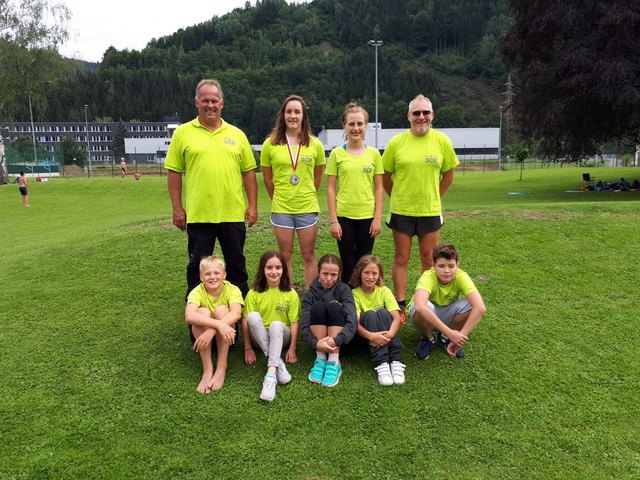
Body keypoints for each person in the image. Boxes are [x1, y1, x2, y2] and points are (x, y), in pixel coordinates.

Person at [165, 79, 258, 299]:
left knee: (235, 263)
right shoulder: (183, 133)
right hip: (200, 213)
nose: (210, 105)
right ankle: (197, 308)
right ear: (196, 103)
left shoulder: (237, 134)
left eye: (214, 100)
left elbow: (248, 173)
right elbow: (174, 172)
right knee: (198, 266)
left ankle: (239, 308)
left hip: (232, 212)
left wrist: (252, 205)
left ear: (222, 103)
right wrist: (177, 208)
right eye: (205, 100)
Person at [382, 95, 459, 319]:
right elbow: (386, 175)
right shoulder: (396, 142)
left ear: (432, 115)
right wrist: (397, 196)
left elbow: (448, 175)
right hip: (402, 212)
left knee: (428, 259)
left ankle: (426, 304)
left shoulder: (442, 141)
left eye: (425, 112)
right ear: (409, 116)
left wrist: (434, 197)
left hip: (430, 212)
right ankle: (401, 304)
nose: (421, 117)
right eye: (416, 113)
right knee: (401, 258)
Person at [261, 95, 326, 288]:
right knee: (285, 255)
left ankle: (310, 295)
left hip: (306, 206)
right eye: (289, 111)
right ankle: (287, 294)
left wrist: (304, 193)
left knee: (308, 255)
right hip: (282, 208)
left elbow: (317, 178)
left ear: (303, 116)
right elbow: (267, 179)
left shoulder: (315, 144)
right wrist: (281, 197)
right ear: (283, 115)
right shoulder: (270, 144)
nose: (293, 116)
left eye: (297, 111)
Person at [327, 103, 384, 283]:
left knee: (364, 263)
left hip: (367, 216)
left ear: (366, 126)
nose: (356, 128)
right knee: (347, 262)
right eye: (351, 124)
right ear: (344, 125)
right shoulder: (337, 154)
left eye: (360, 124)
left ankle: (362, 299)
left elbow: (379, 188)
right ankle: (347, 300)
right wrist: (334, 220)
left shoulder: (374, 154)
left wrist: (377, 218)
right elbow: (330, 189)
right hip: (344, 216)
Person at [409, 244, 486, 360]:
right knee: (418, 307)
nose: (446, 271)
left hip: (448, 313)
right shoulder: (428, 276)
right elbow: (420, 306)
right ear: (434, 266)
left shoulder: (461, 276)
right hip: (427, 316)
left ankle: (444, 338)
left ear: (457, 265)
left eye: (451, 266)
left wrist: (459, 338)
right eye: (441, 266)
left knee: (473, 305)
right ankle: (428, 338)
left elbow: (480, 308)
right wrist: (450, 332)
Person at [242, 251, 300, 402]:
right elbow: (245, 321)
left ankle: (270, 376)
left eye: (278, 267)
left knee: (276, 324)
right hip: (258, 337)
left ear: (284, 270)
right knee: (253, 317)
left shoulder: (290, 293)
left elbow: (294, 322)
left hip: (281, 336)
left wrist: (292, 348)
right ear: (263, 270)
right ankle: (277, 363)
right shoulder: (253, 293)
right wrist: (248, 348)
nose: (274, 272)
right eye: (269, 268)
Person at [185, 256, 243, 394]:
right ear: (201, 277)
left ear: (224, 275)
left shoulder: (232, 289)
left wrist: (211, 331)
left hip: (227, 337)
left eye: (216, 273)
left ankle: (221, 367)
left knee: (221, 310)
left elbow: (236, 314)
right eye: (207, 274)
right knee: (202, 312)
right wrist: (217, 325)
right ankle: (208, 369)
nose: (212, 277)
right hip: (201, 340)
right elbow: (189, 316)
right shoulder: (197, 291)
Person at [300, 254, 357, 388]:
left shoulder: (344, 290)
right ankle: (320, 358)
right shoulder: (310, 294)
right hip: (318, 344)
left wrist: (337, 340)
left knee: (334, 306)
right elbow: (305, 322)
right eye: (325, 274)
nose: (329, 279)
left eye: (333, 275)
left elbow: (352, 319)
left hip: (340, 342)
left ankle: (333, 362)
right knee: (318, 306)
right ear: (318, 272)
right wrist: (315, 343)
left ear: (339, 275)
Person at [350, 255, 405, 386]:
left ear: (379, 275)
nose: (370, 277)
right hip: (368, 337)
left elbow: (397, 317)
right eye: (366, 273)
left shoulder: (384, 291)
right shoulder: (354, 294)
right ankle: (382, 364)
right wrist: (372, 336)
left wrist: (390, 334)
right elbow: (355, 324)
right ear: (359, 273)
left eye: (374, 273)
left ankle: (395, 361)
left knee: (383, 312)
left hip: (387, 335)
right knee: (370, 314)